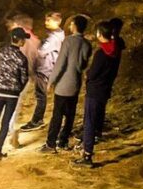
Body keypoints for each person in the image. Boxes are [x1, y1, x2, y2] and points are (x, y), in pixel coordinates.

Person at [73, 20, 122, 167]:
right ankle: (96, 136)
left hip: (95, 90)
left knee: (89, 121)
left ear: (100, 34)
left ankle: (87, 155)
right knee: (98, 115)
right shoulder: (115, 49)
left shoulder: (101, 54)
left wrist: (88, 74)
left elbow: (93, 73)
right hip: (105, 88)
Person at [40, 15, 91, 153]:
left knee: (57, 115)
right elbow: (83, 64)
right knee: (70, 115)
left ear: (74, 26)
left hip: (63, 84)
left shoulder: (68, 41)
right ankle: (63, 141)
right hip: (75, 83)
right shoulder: (87, 44)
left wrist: (52, 81)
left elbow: (61, 63)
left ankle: (51, 144)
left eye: (71, 24)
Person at [0, 27, 31, 159]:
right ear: (20, 41)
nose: (25, 41)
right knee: (5, 122)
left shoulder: (1, 52)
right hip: (12, 94)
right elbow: (25, 78)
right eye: (24, 39)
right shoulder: (22, 58)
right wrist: (17, 89)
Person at [20, 12, 64, 132]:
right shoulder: (58, 35)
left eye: (49, 20)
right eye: (46, 20)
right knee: (41, 95)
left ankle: (37, 120)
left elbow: (41, 52)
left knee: (41, 95)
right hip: (47, 68)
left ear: (57, 21)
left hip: (45, 69)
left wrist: (33, 47)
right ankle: (38, 120)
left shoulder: (54, 38)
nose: (46, 23)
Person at [6, 13, 41, 149]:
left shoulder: (23, 42)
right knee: (14, 106)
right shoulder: (35, 40)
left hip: (17, 78)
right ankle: (10, 132)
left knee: (12, 106)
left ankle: (11, 132)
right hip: (23, 78)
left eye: (12, 24)